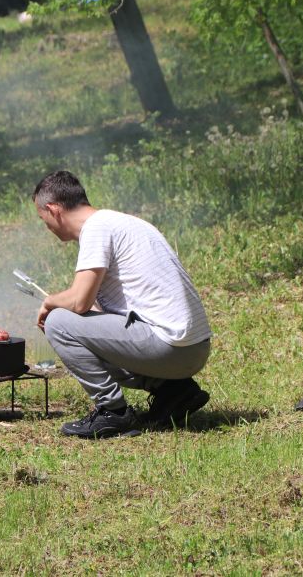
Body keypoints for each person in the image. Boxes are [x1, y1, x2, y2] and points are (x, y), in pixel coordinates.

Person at [33, 171, 212, 439]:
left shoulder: (96, 228)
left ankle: (112, 413)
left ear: (53, 209)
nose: (45, 225)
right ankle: (173, 393)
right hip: (193, 349)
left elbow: (79, 300)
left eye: (42, 217)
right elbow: (104, 311)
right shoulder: (121, 222)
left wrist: (49, 302)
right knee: (79, 323)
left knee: (58, 322)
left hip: (170, 348)